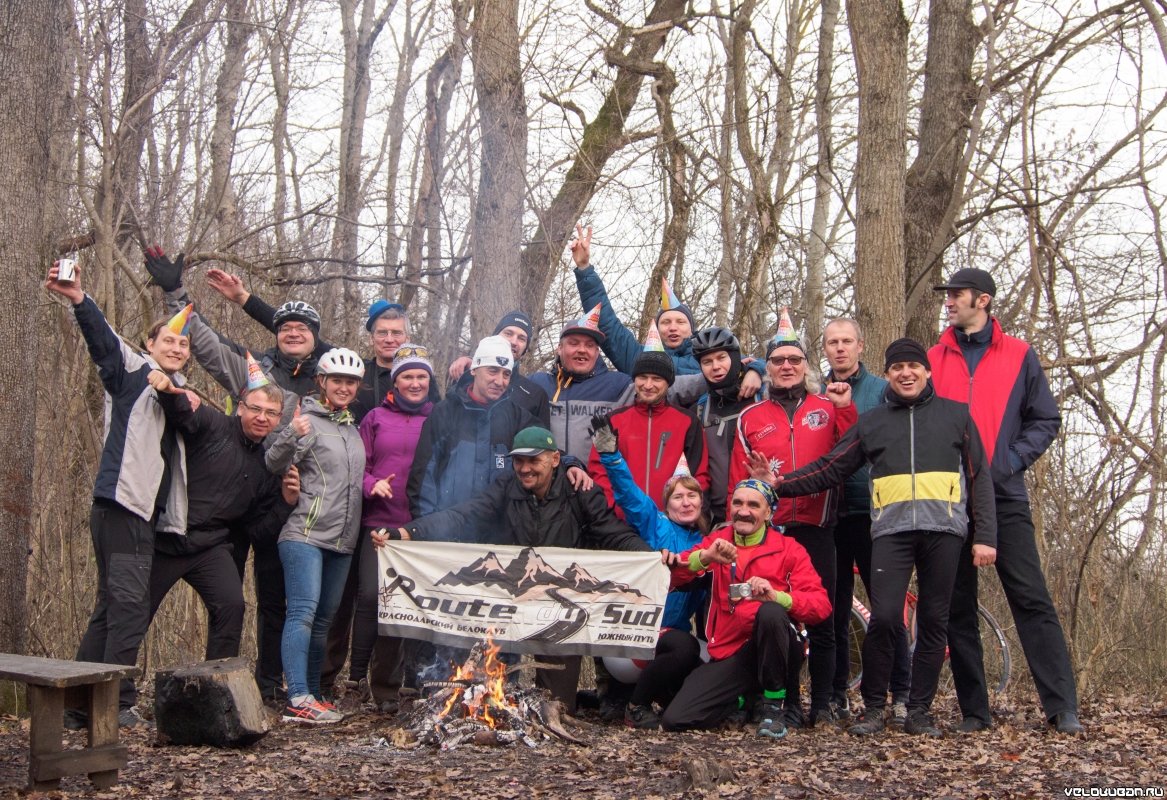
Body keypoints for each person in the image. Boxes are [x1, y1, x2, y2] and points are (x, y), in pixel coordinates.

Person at [768, 338, 998, 737]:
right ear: (888, 375)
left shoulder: (956, 416)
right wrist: (779, 484)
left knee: (933, 622)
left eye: (913, 367)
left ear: (926, 372)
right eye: (897, 368)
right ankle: (875, 707)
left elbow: (980, 480)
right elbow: (832, 466)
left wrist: (986, 537)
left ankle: (918, 710)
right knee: (886, 618)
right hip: (890, 532)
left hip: (944, 532)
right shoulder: (873, 421)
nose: (905, 374)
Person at [147, 248, 318, 705]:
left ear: (316, 339)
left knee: (276, 599)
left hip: (278, 502)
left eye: (302, 330)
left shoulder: (328, 374)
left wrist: (249, 299)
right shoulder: (253, 369)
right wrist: (174, 292)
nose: (292, 335)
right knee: (229, 601)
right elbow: (200, 342)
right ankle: (215, 691)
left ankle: (269, 684)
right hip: (228, 503)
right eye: (284, 328)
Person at [391, 427, 654, 713]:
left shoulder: (580, 492)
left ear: (555, 459)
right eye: (519, 461)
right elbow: (466, 513)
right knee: (489, 699)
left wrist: (651, 557)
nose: (525, 469)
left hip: (561, 603)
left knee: (558, 707)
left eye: (534, 461)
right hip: (509, 598)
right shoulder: (506, 485)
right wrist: (410, 531)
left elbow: (612, 532)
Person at [929, 267, 1082, 734]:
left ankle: (1062, 709)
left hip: (1005, 495)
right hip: (950, 501)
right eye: (948, 295)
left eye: (958, 294)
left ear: (984, 300)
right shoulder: (933, 358)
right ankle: (975, 713)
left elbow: (1045, 420)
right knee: (957, 606)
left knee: (1031, 598)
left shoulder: (1019, 354)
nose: (950, 301)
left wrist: (1009, 462)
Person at [46, 260, 190, 727]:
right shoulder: (131, 371)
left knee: (109, 610)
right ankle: (117, 705)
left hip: (138, 515)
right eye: (167, 339)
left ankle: (74, 707)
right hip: (120, 506)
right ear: (149, 346)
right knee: (129, 607)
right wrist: (78, 299)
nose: (176, 347)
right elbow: (103, 340)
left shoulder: (177, 390)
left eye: (182, 343)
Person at [729, 309, 856, 728]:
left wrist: (847, 410)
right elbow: (738, 479)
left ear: (806, 366)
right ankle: (781, 702)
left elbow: (852, 452)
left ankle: (823, 703)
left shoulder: (828, 405)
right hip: (773, 531)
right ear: (767, 368)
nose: (787, 367)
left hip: (820, 527)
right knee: (772, 616)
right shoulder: (751, 417)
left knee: (824, 617)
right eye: (779, 361)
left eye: (795, 360)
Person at [659, 479, 832, 738]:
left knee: (770, 612)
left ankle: (774, 707)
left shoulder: (788, 549)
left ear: (768, 513)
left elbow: (821, 607)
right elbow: (671, 579)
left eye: (753, 504)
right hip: (731, 653)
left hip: (778, 647)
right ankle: (744, 699)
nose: (743, 510)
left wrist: (779, 597)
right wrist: (706, 557)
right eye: (737, 503)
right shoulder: (717, 540)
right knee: (676, 718)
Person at [147, 378, 299, 666]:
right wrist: (170, 388)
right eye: (256, 409)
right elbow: (183, 413)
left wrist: (286, 503)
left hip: (209, 546)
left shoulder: (267, 465)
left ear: (280, 419)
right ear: (240, 408)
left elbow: (259, 533)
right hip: (166, 536)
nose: (262, 417)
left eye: (271, 413)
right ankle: (119, 697)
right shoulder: (214, 424)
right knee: (134, 612)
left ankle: (217, 691)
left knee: (231, 606)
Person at [265, 348, 367, 724]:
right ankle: (297, 696)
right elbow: (273, 462)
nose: (343, 387)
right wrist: (291, 432)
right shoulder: (305, 420)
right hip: (305, 532)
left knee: (325, 619)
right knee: (303, 613)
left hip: (343, 539)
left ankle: (313, 694)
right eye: (336, 380)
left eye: (350, 382)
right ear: (321, 381)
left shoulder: (351, 429)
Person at [590, 416, 708, 729]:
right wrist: (611, 455)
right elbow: (627, 492)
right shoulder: (654, 523)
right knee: (686, 647)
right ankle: (635, 706)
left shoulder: (710, 542)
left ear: (701, 501)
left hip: (674, 641)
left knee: (704, 674)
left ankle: (662, 700)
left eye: (691, 495)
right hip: (633, 640)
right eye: (678, 497)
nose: (685, 503)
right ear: (667, 504)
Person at [820, 317, 911, 721]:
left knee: (886, 610)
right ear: (824, 349)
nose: (840, 349)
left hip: (877, 514)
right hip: (829, 515)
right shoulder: (814, 394)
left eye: (846, 342)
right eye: (832, 343)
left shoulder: (883, 390)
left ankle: (901, 692)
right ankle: (837, 693)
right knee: (835, 610)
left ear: (861, 346)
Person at [349, 343, 435, 713]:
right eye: (407, 377)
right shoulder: (375, 418)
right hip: (379, 523)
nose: (415, 383)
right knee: (371, 598)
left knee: (412, 605)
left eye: (421, 377)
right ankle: (359, 680)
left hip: (420, 526)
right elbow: (358, 465)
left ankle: (406, 685)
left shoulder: (439, 417)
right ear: (395, 381)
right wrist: (372, 485)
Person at [529, 306, 707, 464]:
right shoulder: (537, 384)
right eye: (574, 344)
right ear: (559, 348)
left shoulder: (617, 385)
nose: (582, 350)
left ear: (597, 352)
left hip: (595, 490)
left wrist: (715, 377)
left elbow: (666, 388)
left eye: (590, 345)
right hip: (547, 489)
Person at [407, 335, 543, 533]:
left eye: (506, 374)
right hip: (447, 534)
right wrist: (428, 527)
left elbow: (548, 451)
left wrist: (572, 464)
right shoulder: (445, 412)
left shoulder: (516, 417)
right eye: (493, 371)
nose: (499, 381)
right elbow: (422, 476)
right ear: (475, 370)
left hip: (499, 535)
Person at [588, 328, 711, 515]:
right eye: (642, 377)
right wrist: (614, 509)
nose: (648, 385)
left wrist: (684, 517)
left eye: (656, 379)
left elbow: (699, 475)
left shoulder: (687, 422)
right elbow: (599, 471)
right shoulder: (613, 421)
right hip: (622, 522)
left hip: (672, 523)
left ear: (668, 383)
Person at [570, 224, 700, 375]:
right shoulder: (638, 358)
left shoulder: (709, 360)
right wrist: (585, 269)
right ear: (657, 330)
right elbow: (607, 324)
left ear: (692, 329)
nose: (672, 327)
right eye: (665, 322)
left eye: (680, 321)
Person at [690, 327, 766, 524]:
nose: (715, 366)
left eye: (721, 357)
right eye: (707, 362)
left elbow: (792, 375)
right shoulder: (701, 407)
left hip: (761, 510)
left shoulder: (762, 394)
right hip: (718, 514)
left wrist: (759, 367)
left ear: (735, 357)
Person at [446, 310, 551, 425]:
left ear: (526, 348)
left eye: (521, 338)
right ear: (495, 336)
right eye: (508, 333)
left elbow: (541, 440)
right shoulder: (464, 379)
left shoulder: (535, 394)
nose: (513, 342)